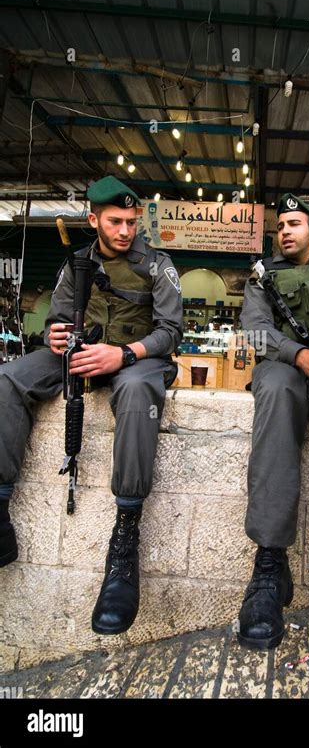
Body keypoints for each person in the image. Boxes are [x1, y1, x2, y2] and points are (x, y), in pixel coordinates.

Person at [0, 175, 183, 635]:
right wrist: (55, 336)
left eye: (131, 221)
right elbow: (57, 321)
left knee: (138, 391)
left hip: (135, 362)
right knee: (8, 377)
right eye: (115, 221)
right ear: (94, 219)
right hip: (81, 358)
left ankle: (125, 537)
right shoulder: (74, 264)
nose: (125, 230)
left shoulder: (158, 265)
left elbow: (170, 333)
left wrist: (123, 354)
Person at [236, 193, 309, 650]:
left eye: (295, 223)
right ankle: (271, 562)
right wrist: (298, 355)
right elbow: (254, 329)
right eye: (280, 226)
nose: (286, 231)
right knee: (272, 387)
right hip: (288, 370)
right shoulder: (263, 275)